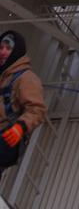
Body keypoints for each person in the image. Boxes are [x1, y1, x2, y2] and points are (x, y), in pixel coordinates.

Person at [0, 31, 45, 172]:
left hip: (5, 136)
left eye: (8, 48)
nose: (3, 52)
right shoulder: (3, 77)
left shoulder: (26, 78)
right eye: (0, 48)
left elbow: (37, 110)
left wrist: (21, 126)